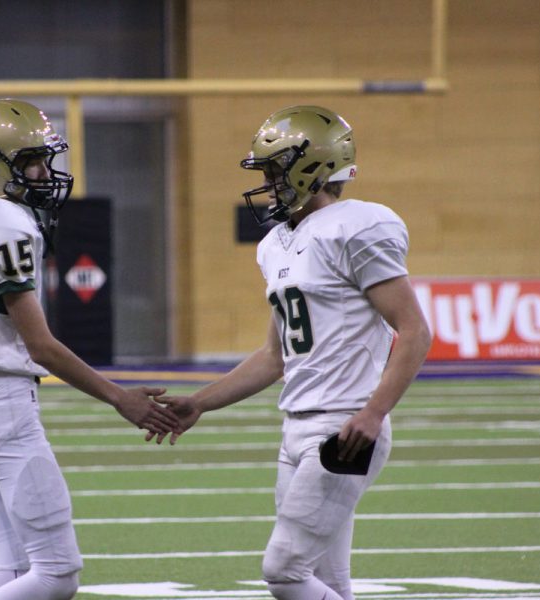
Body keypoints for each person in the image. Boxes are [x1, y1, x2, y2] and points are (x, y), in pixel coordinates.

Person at [151, 105, 432, 600]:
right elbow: (274, 356)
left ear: (311, 168)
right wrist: (201, 402)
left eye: (275, 170)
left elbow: (412, 330)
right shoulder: (277, 242)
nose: (267, 182)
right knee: (325, 582)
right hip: (296, 426)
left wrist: (374, 411)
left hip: (344, 426)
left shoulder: (358, 225)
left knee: (284, 571)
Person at [0, 98, 179, 600]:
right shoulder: (2, 220)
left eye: (45, 159)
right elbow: (41, 347)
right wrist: (120, 398)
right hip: (5, 411)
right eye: (31, 162)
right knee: (57, 574)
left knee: (11, 571)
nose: (44, 173)